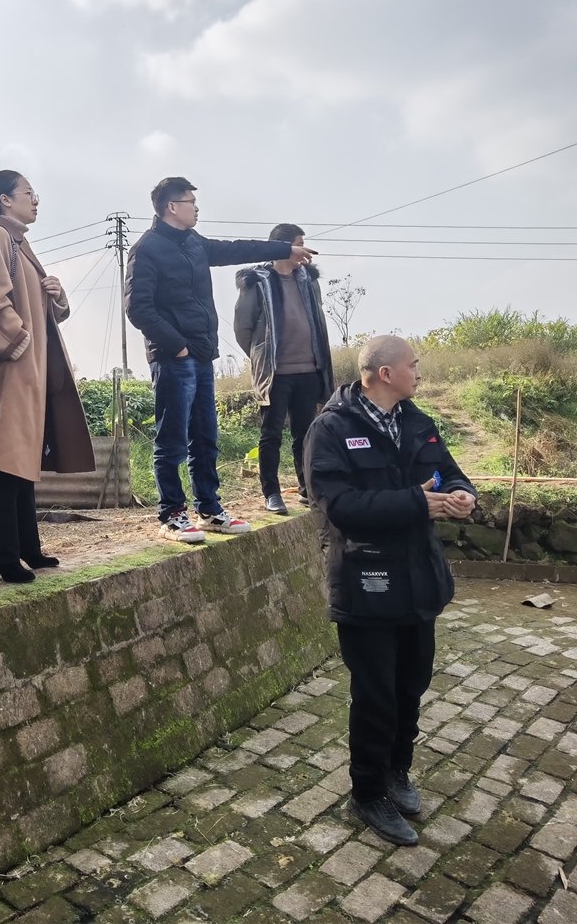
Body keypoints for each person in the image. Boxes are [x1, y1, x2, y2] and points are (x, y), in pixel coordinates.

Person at [304, 335, 476, 846]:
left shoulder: (418, 423)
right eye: (413, 365)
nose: (419, 373)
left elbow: (449, 473)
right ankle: (368, 792)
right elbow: (339, 507)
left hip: (420, 579)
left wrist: (463, 495)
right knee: (375, 696)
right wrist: (417, 503)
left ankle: (398, 772)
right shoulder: (331, 430)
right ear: (385, 373)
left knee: (410, 686)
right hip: (366, 583)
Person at [125, 177, 313, 543]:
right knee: (172, 440)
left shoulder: (194, 243)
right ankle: (172, 515)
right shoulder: (146, 249)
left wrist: (284, 248)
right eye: (190, 202)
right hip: (174, 358)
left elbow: (236, 249)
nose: (197, 208)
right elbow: (138, 308)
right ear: (171, 207)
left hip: (201, 355)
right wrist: (177, 346)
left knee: (205, 437)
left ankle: (209, 509)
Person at [0, 170, 95, 583]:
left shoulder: (20, 243)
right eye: (28, 193)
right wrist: (18, 342)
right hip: (6, 369)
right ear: (5, 200)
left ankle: (26, 548)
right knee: (1, 461)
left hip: (25, 369)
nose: (35, 200)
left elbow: (32, 306)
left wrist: (55, 294)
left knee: (20, 457)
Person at [233, 223, 334, 515]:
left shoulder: (308, 280)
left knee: (306, 434)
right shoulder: (257, 281)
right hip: (276, 374)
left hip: (309, 371)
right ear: (284, 247)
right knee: (271, 434)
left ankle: (306, 489)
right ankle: (272, 493)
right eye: (300, 244)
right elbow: (243, 328)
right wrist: (261, 357)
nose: (305, 251)